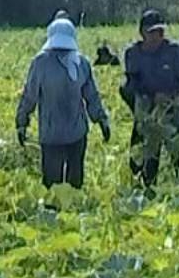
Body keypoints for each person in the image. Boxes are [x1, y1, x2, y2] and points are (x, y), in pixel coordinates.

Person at [16, 19, 112, 189]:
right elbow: (92, 97)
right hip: (70, 133)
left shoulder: (45, 63)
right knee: (66, 185)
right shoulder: (77, 62)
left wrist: (22, 121)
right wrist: (101, 120)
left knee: (58, 186)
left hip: (55, 133)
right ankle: (62, 212)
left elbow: (29, 97)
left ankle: (64, 213)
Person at [122, 9, 179, 188]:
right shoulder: (133, 54)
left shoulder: (174, 51)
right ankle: (148, 193)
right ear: (142, 33)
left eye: (160, 32)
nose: (157, 36)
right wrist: (151, 96)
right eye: (152, 32)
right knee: (144, 158)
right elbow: (132, 82)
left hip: (171, 110)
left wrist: (171, 95)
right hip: (147, 113)